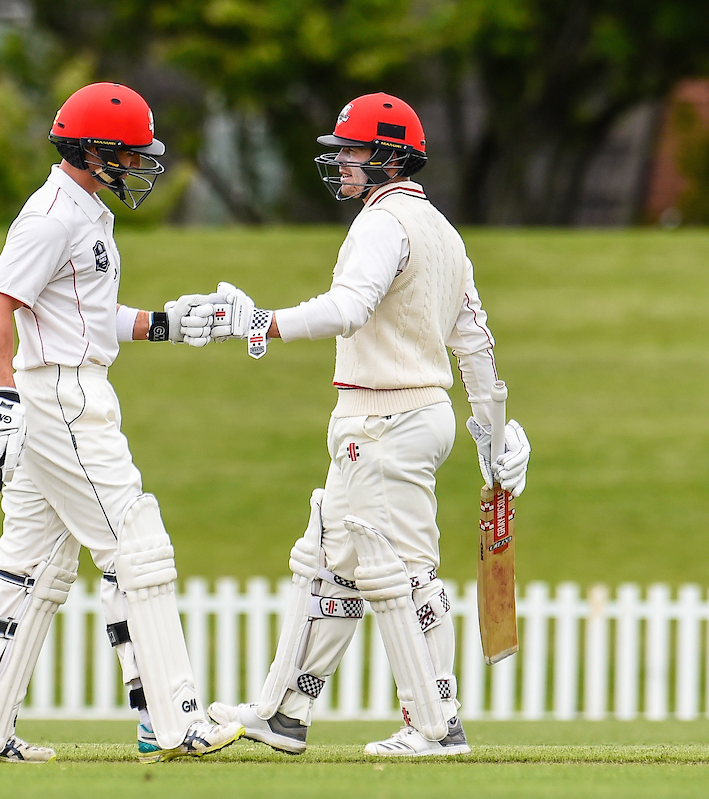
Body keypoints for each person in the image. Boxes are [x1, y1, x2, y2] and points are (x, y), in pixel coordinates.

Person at [198, 93, 531, 757]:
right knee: (332, 565)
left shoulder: (382, 226)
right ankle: (285, 710)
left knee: (399, 572)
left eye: (353, 151)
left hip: (386, 418)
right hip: (406, 416)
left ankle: (436, 723)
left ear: (389, 157)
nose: (343, 163)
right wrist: (494, 431)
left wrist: (265, 321)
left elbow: (349, 308)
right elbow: (475, 341)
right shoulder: (442, 232)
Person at [0, 82, 243, 763]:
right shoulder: (54, 216)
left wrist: (167, 324)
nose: (138, 165)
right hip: (62, 399)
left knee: (34, 565)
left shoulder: (83, 213)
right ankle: (172, 720)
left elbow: (82, 315)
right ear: (91, 151)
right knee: (136, 543)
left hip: (63, 388)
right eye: (128, 153)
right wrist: (2, 396)